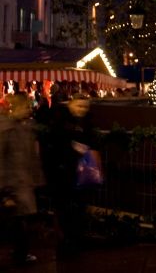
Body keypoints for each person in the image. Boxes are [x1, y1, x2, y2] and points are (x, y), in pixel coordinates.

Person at [43, 93, 99, 257]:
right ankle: (66, 241)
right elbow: (54, 145)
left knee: (77, 208)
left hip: (79, 173)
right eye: (79, 106)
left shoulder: (86, 124)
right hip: (63, 172)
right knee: (65, 209)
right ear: (71, 105)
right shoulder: (60, 123)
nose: (82, 110)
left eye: (85, 107)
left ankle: (73, 240)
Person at [0, 93, 44, 265]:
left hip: (20, 182)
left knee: (19, 221)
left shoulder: (24, 127)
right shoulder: (7, 128)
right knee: (18, 222)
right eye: (26, 106)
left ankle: (20, 253)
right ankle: (20, 254)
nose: (29, 110)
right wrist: (4, 192)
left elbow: (31, 157)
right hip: (12, 184)